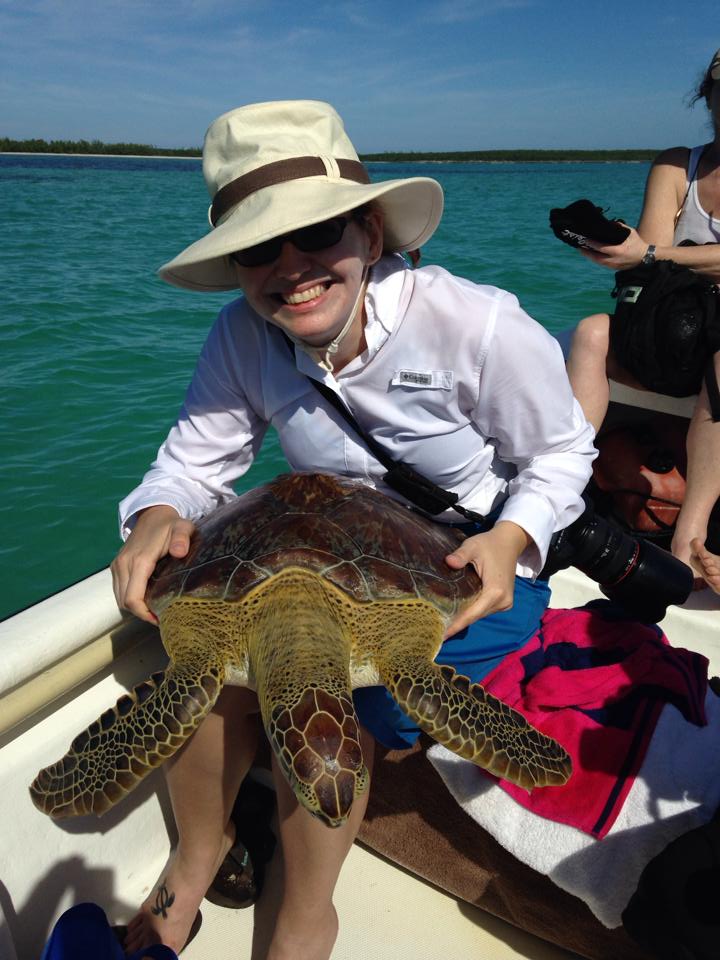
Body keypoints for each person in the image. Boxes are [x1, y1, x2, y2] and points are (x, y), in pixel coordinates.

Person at [111, 99, 596, 958]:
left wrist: (513, 541)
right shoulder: (241, 336)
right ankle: (192, 865)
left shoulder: (475, 321)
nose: (291, 268)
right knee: (208, 660)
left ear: (371, 237)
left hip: (459, 559)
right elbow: (192, 465)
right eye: (260, 248)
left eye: (318, 236)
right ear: (237, 268)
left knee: (346, 695)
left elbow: (560, 455)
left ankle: (305, 917)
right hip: (323, 552)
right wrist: (155, 517)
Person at [565, 47, 720, 587]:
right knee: (591, 331)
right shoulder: (679, 165)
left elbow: (652, 255)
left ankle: (690, 536)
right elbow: (645, 256)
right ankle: (564, 494)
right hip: (681, 326)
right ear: (708, 97)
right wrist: (629, 252)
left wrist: (651, 256)